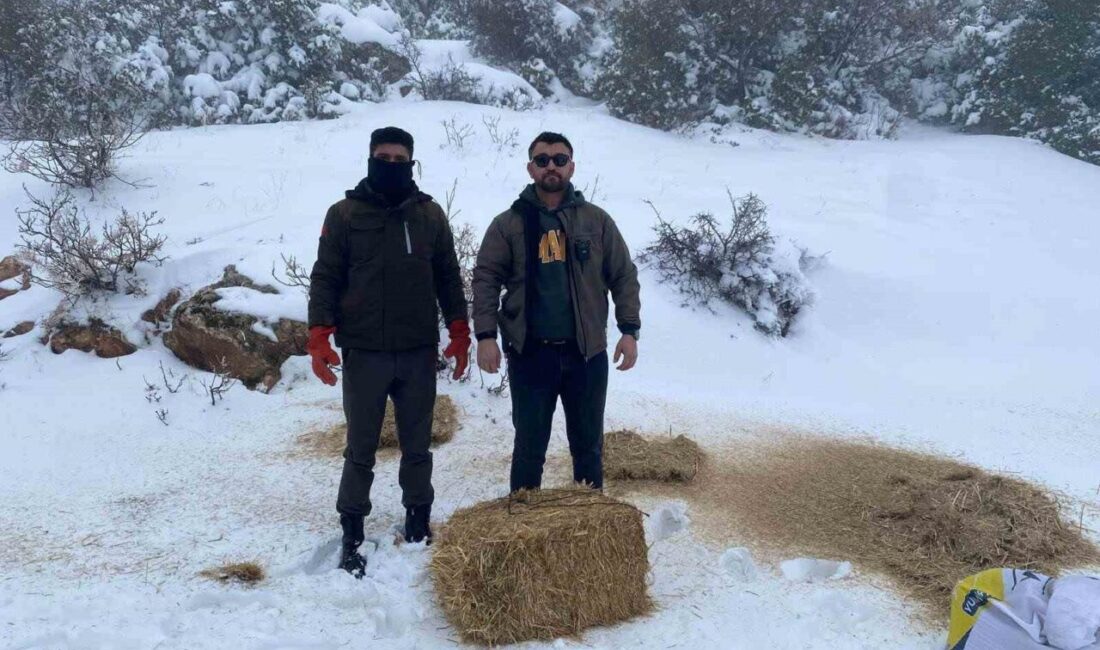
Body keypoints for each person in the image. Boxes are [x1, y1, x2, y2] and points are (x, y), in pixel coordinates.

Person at [307, 126, 470, 578]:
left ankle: (418, 519)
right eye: (384, 157)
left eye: (400, 159)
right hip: (365, 351)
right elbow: (325, 277)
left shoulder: (430, 215)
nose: (391, 164)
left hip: (417, 350)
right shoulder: (343, 214)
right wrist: (319, 335)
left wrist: (460, 330)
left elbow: (449, 277)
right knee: (361, 446)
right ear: (370, 159)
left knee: (417, 445)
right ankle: (352, 530)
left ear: (411, 163)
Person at [472, 131, 641, 493]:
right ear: (530, 168)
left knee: (588, 448)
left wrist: (629, 330)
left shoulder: (596, 221)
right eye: (543, 159)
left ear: (572, 167)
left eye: (560, 159)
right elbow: (486, 278)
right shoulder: (508, 223)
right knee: (529, 449)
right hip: (531, 354)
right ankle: (522, 524)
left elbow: (623, 275)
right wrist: (485, 336)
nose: (552, 166)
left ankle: (590, 528)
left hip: (586, 354)